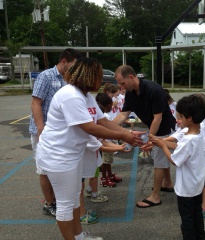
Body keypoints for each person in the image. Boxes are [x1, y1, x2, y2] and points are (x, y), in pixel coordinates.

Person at [36, 58, 142, 240]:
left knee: (75, 198)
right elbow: (89, 128)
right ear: (88, 76)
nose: (101, 81)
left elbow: (104, 121)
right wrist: (124, 136)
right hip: (58, 156)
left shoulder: (85, 96)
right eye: (98, 77)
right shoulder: (71, 95)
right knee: (65, 205)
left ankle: (79, 236)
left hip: (72, 154)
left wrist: (127, 132)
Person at [112, 65, 176, 208]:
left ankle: (155, 197)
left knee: (159, 162)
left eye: (122, 83)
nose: (121, 88)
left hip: (165, 129)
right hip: (155, 128)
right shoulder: (130, 93)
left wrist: (149, 140)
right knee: (161, 158)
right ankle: (168, 183)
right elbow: (123, 114)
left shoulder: (154, 90)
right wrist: (108, 128)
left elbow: (157, 118)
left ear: (131, 77)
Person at [29, 48, 83, 217]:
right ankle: (50, 203)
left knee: (59, 166)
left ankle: (60, 200)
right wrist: (41, 129)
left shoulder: (69, 80)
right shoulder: (46, 76)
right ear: (64, 61)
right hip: (44, 131)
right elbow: (36, 103)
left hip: (61, 133)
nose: (74, 69)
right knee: (44, 169)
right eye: (73, 65)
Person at [150, 94, 205, 240]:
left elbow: (174, 160)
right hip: (196, 184)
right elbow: (178, 144)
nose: (178, 120)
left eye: (180, 117)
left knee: (187, 219)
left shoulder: (188, 140)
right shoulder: (199, 134)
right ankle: (201, 237)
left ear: (189, 118)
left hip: (186, 189)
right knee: (197, 215)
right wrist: (160, 141)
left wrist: (163, 145)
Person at [96, 93, 123, 187]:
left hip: (108, 141)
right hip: (107, 142)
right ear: (108, 105)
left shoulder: (104, 116)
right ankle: (104, 178)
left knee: (109, 161)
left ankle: (110, 175)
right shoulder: (105, 116)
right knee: (105, 161)